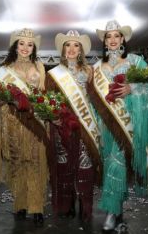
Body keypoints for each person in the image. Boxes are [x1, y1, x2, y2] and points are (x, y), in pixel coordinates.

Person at [90, 20, 148, 231]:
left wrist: (132, 88)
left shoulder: (136, 61)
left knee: (118, 164)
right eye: (109, 37)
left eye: (116, 36)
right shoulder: (97, 67)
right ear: (105, 42)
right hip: (105, 125)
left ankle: (111, 212)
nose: (113, 40)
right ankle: (117, 209)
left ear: (123, 39)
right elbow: (91, 97)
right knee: (111, 165)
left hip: (128, 123)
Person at [0, 28, 48, 226]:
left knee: (34, 162)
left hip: (33, 122)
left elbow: (44, 95)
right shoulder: (5, 70)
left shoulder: (39, 67)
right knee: (17, 163)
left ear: (34, 48)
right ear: (15, 46)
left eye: (29, 44)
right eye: (21, 43)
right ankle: (21, 204)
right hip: (13, 122)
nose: (25, 47)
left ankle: (37, 206)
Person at [47, 30, 99, 222]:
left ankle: (85, 206)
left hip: (85, 126)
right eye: (68, 45)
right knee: (64, 167)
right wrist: (52, 117)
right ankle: (66, 206)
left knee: (85, 166)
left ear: (81, 50)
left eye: (76, 45)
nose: (71, 49)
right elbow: (49, 101)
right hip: (62, 127)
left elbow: (96, 99)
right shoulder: (54, 74)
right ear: (63, 49)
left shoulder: (89, 71)